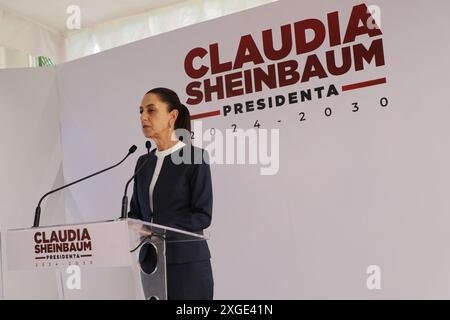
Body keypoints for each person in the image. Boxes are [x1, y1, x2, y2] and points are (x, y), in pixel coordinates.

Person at [128, 87, 214, 300]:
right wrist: (134, 224)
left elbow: (202, 215)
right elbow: (135, 212)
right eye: (140, 111)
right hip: (151, 263)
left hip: (186, 263)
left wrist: (159, 231)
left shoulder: (194, 157)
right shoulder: (143, 162)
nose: (143, 117)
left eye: (151, 110)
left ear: (172, 116)